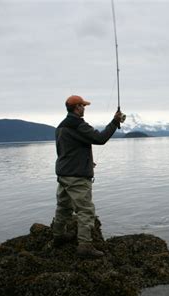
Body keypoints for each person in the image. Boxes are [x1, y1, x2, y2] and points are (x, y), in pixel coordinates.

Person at [52, 95, 123, 258]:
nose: (84, 108)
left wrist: (85, 162)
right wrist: (114, 122)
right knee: (85, 211)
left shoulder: (60, 127)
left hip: (63, 174)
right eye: (83, 106)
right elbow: (100, 138)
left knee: (63, 207)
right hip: (77, 177)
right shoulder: (78, 125)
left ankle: (58, 236)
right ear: (77, 107)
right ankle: (84, 246)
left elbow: (66, 151)